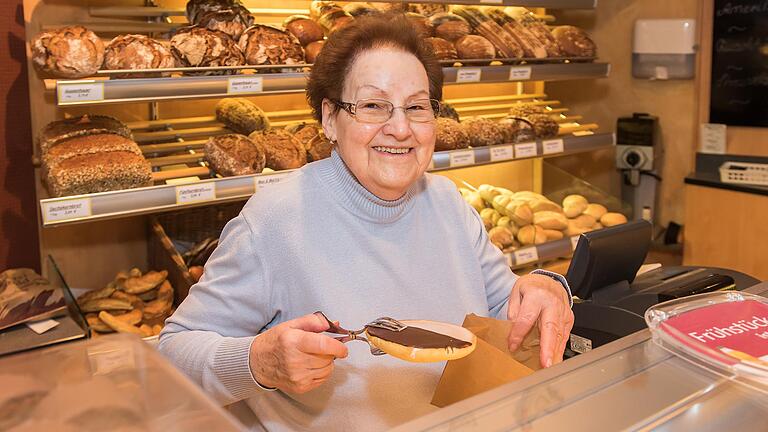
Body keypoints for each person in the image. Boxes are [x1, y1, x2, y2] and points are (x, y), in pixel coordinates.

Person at [159, 14, 573, 432]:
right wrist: (257, 362)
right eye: (373, 106)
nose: (400, 128)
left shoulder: (447, 203)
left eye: (417, 107)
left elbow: (506, 309)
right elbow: (173, 356)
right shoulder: (274, 220)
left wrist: (542, 287)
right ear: (329, 119)